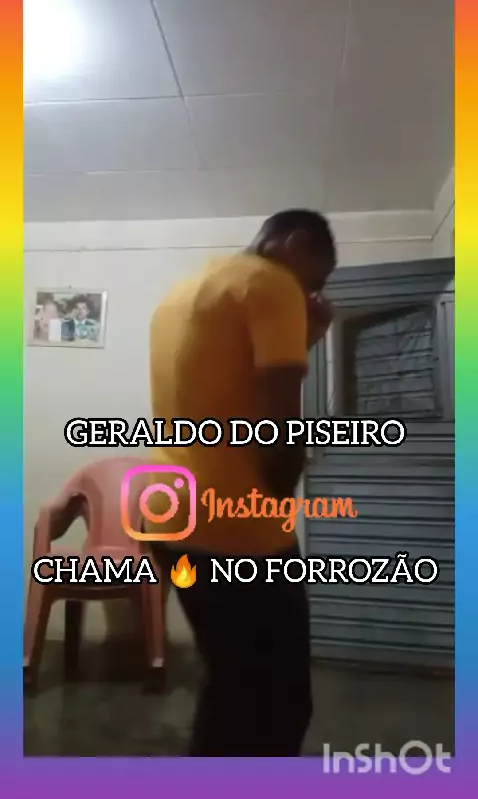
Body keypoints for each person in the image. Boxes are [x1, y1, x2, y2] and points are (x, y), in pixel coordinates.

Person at [147, 209, 336, 756]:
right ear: (295, 243)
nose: (312, 294)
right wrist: (283, 492)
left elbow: (227, 389)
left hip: (171, 521)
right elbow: (278, 426)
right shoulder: (273, 283)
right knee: (280, 703)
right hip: (239, 531)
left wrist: (304, 335)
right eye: (316, 277)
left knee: (229, 684)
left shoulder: (182, 292)